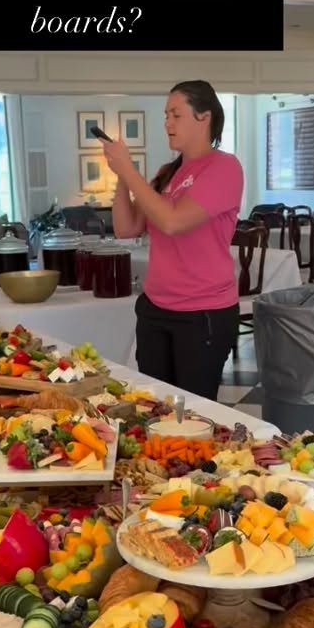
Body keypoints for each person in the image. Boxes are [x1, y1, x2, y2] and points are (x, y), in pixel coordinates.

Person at [104, 80, 243, 401]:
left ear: (204, 117)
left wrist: (130, 171)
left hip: (202, 313)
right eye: (166, 115)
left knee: (192, 413)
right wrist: (123, 176)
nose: (167, 123)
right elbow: (126, 228)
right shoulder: (169, 171)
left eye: (176, 115)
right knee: (155, 408)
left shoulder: (224, 167)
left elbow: (173, 221)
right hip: (156, 308)